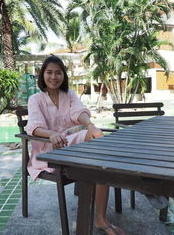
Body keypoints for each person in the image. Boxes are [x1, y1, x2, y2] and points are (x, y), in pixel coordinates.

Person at [25, 55, 125, 235]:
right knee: (103, 157)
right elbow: (34, 125)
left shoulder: (69, 95)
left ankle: (100, 218)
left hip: (73, 146)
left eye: (58, 73)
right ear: (42, 75)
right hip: (50, 150)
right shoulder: (35, 99)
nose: (54, 77)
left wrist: (90, 125)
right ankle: (102, 218)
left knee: (100, 152)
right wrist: (52, 133)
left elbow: (79, 112)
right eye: (49, 72)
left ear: (64, 75)